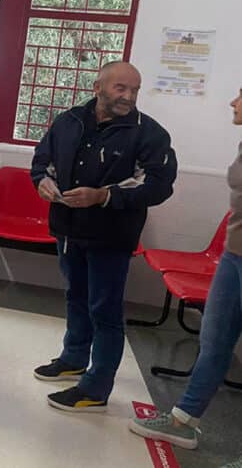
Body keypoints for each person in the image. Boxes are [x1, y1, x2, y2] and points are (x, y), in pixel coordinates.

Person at [31, 61, 177, 411]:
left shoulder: (149, 134)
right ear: (97, 88)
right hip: (68, 229)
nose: (129, 96)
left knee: (105, 311)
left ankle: (95, 389)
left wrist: (103, 196)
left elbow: (159, 186)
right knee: (76, 297)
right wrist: (42, 182)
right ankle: (74, 358)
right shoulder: (68, 121)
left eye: (134, 90)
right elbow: (42, 161)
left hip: (111, 237)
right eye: (120, 88)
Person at [128, 88, 242, 463]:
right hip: (234, 255)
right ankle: (183, 421)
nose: (233, 102)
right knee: (214, 340)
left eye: (241, 95)